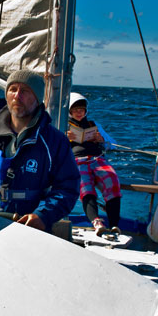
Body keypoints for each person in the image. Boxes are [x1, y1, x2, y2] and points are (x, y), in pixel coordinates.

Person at [0, 70, 79, 232]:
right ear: (6, 95)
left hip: (29, 230)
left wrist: (43, 215)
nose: (17, 96)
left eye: (25, 91)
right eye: (13, 89)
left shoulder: (55, 142)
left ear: (37, 98)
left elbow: (68, 186)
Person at [66, 92, 122, 237]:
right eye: (75, 110)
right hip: (77, 161)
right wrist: (65, 138)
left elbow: (113, 144)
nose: (79, 113)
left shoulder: (94, 125)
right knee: (86, 186)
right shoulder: (64, 126)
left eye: (82, 110)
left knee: (112, 181)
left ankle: (114, 224)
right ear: (70, 111)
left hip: (97, 159)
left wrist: (101, 139)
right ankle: (97, 222)